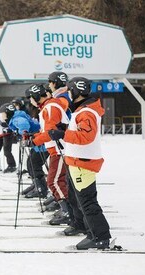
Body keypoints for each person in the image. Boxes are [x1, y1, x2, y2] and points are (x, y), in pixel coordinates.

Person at [48, 77, 111, 250]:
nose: (68, 94)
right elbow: (78, 131)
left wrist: (62, 135)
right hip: (75, 161)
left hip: (83, 163)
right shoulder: (82, 110)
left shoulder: (87, 112)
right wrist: (64, 129)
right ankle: (87, 228)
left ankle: (100, 236)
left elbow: (85, 137)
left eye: (70, 91)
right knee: (79, 200)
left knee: (88, 202)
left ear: (76, 91)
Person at [25, 84, 70, 225]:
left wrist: (35, 141)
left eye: (31, 98)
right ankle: (67, 209)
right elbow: (47, 130)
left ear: (37, 96)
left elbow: (51, 133)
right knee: (57, 180)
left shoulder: (50, 107)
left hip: (60, 149)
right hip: (56, 149)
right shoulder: (48, 106)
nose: (30, 101)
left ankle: (67, 211)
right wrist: (34, 136)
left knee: (54, 181)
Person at [7, 106, 49, 198]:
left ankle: (41, 189)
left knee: (34, 164)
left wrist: (24, 134)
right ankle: (36, 185)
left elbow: (24, 125)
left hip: (41, 143)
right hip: (37, 143)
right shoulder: (17, 116)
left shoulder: (16, 118)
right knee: (30, 163)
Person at [0, 103, 18, 173]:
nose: (2, 115)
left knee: (7, 151)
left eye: (3, 113)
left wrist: (9, 130)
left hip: (9, 135)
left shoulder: (14, 118)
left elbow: (13, 126)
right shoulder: (9, 118)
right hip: (6, 134)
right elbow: (8, 124)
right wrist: (1, 124)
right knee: (6, 151)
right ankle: (11, 165)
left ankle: (12, 165)